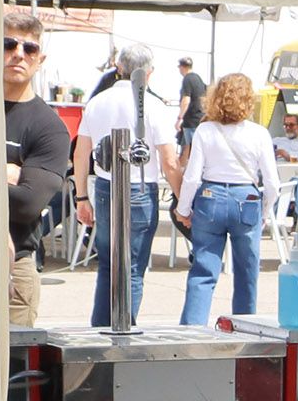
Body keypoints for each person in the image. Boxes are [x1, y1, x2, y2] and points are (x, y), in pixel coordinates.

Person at [176, 73, 277, 325]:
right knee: (247, 272)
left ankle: (192, 329)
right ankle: (245, 327)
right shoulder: (259, 133)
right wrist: (264, 212)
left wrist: (183, 209)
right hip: (247, 198)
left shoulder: (205, 130)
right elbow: (272, 183)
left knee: (203, 270)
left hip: (211, 197)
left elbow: (191, 177)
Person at [75, 44, 164, 326]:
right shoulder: (154, 105)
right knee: (133, 268)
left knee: (108, 264)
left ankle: (100, 328)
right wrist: (183, 197)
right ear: (148, 73)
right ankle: (124, 328)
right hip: (139, 186)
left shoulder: (97, 101)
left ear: (119, 68)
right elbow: (170, 159)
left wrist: (81, 197)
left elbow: (81, 152)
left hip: (104, 184)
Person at [0, 6, 72, 327]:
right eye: (8, 45)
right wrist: (4, 173)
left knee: (12, 372)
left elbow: (28, 204)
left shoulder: (48, 126)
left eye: (30, 48)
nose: (18, 54)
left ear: (40, 60)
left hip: (14, 268)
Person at [175, 55, 205, 138]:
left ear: (182, 67)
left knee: (189, 149)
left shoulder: (187, 79)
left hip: (191, 121)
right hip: (200, 119)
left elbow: (186, 100)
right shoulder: (197, 78)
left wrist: (179, 119)